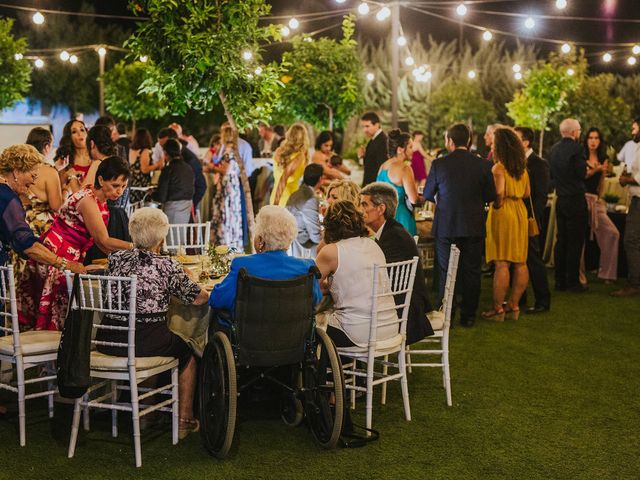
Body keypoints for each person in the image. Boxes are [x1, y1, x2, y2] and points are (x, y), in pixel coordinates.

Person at [96, 208, 209, 439]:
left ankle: (146, 413)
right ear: (161, 238)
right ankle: (184, 419)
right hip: (145, 343)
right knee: (187, 352)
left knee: (150, 338)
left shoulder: (115, 258)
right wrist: (188, 278)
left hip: (107, 339)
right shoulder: (166, 265)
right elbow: (200, 298)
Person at [18, 156, 133, 331]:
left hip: (69, 251)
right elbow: (104, 240)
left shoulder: (98, 198)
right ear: (101, 180)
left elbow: (102, 244)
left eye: (123, 187)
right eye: (115, 185)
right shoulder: (87, 200)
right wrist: (136, 246)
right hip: (57, 252)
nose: (119, 191)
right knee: (58, 313)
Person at [424, 124, 496, 327]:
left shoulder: (439, 164)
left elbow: (428, 194)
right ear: (470, 141)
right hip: (473, 224)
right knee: (471, 270)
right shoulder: (483, 165)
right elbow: (490, 196)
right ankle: (469, 315)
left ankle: (447, 313)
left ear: (450, 141)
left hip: (446, 225)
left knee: (446, 270)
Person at [208, 206, 322, 323]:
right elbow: (316, 300)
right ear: (289, 240)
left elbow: (217, 299)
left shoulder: (242, 266)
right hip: (294, 338)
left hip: (248, 338)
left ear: (261, 240)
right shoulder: (307, 267)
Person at [315, 200, 398, 348]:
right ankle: (343, 369)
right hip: (389, 325)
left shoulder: (331, 251)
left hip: (359, 332)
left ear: (329, 226)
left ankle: (327, 371)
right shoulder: (373, 245)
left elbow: (311, 287)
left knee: (310, 326)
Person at [361, 182, 434, 344]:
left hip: (405, 311)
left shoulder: (394, 237)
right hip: (404, 303)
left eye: (364, 204)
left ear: (380, 209)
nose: (360, 210)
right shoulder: (390, 230)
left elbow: (381, 279)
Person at [0, 144, 86, 272]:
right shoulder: (7, 197)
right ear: (16, 172)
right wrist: (65, 264)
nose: (34, 182)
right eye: (33, 176)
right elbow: (25, 243)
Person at [482, 127, 531, 321]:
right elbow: (527, 193)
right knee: (520, 261)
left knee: (502, 262)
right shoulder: (522, 167)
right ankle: (514, 303)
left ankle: (497, 308)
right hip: (520, 211)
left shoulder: (499, 168)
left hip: (504, 213)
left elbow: (499, 194)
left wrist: (497, 204)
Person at [514, 127, 552, 314]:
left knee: (533, 259)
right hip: (516, 217)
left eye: (516, 138)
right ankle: (519, 299)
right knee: (518, 259)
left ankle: (543, 300)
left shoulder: (539, 163)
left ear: (526, 142)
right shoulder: (516, 162)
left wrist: (532, 218)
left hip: (530, 219)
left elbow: (541, 196)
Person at [548, 118, 588, 293]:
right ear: (573, 132)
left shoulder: (553, 150)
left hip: (561, 199)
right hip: (575, 199)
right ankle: (572, 282)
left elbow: (552, 175)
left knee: (561, 240)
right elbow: (581, 174)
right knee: (575, 242)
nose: (579, 133)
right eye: (579, 130)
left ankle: (559, 280)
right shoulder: (577, 149)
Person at [582, 128, 619, 283]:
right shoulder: (581, 156)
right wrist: (596, 169)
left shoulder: (603, 158)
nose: (593, 141)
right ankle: (578, 274)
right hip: (581, 199)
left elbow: (601, 181)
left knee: (612, 233)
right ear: (586, 140)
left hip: (595, 201)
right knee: (579, 238)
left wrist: (600, 198)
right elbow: (582, 175)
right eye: (590, 137)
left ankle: (607, 273)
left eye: (596, 138)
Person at [611, 124, 640, 297]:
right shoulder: (634, 147)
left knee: (631, 240)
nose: (633, 131)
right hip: (635, 199)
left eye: (636, 128)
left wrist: (626, 180)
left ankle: (635, 284)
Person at [376, 129, 419, 236]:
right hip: (401, 219)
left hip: (383, 220)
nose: (413, 150)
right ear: (400, 149)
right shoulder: (405, 168)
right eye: (410, 147)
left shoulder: (382, 167)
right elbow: (414, 199)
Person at [208, 126, 244, 250]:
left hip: (228, 185)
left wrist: (212, 167)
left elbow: (226, 170)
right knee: (231, 213)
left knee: (226, 212)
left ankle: (225, 242)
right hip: (233, 185)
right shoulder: (235, 149)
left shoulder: (228, 151)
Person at [24, 128, 63, 237]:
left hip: (20, 226)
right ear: (46, 147)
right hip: (42, 230)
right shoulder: (49, 171)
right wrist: (67, 189)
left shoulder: (20, 168)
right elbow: (56, 206)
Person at [286, 163, 323, 258]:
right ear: (320, 179)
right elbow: (315, 235)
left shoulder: (296, 193)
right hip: (303, 244)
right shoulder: (310, 198)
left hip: (291, 238)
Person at [154, 139, 195, 226]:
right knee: (180, 235)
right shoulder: (188, 167)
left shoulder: (168, 169)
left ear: (166, 153)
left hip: (173, 207)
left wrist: (152, 194)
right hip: (187, 206)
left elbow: (161, 196)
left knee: (171, 236)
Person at [270, 123, 309, 207]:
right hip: (288, 198)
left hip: (275, 194)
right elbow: (283, 178)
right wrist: (275, 205)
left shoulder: (279, 151)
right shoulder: (299, 156)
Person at [54, 119, 91, 195]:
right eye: (74, 132)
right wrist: (67, 175)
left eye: (82, 130)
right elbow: (59, 187)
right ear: (69, 137)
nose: (79, 133)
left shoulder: (95, 155)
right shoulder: (65, 159)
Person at [128, 128, 159, 203]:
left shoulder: (131, 150)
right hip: (142, 186)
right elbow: (144, 169)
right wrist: (157, 164)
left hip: (132, 184)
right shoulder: (145, 151)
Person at [358, 112, 388, 187]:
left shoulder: (382, 141)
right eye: (363, 127)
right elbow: (370, 165)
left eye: (367, 126)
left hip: (375, 188)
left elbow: (382, 168)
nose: (365, 130)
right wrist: (362, 157)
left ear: (377, 125)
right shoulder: (373, 140)